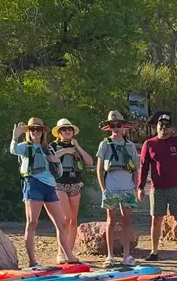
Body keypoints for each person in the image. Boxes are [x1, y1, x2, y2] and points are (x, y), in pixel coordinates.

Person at [10, 117, 78, 267]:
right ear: (29, 132)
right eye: (32, 129)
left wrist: (55, 160)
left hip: (49, 186)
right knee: (32, 222)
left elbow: (57, 169)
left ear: (43, 132)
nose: (35, 132)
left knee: (62, 223)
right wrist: (15, 136)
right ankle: (32, 261)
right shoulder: (24, 146)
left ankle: (69, 255)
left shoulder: (48, 148)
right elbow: (13, 150)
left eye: (38, 129)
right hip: (32, 184)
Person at [138, 107, 177, 261]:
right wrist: (140, 187)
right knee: (156, 219)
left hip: (175, 188)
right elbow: (144, 166)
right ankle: (154, 252)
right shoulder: (149, 144)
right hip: (157, 189)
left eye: (167, 126)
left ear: (171, 128)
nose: (164, 129)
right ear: (157, 127)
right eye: (161, 126)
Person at [95, 110, 140, 267]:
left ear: (123, 127)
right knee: (111, 220)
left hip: (127, 187)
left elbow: (136, 168)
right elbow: (99, 168)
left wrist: (135, 187)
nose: (116, 128)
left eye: (118, 125)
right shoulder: (104, 144)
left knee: (127, 220)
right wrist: (103, 188)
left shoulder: (130, 145)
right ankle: (110, 256)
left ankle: (127, 255)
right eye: (112, 125)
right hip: (111, 187)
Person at [49, 118, 92, 262]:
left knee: (73, 220)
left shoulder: (76, 147)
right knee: (65, 219)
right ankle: (61, 252)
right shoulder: (53, 146)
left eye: (70, 129)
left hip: (75, 184)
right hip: (59, 184)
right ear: (59, 132)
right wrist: (64, 151)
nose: (67, 131)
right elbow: (48, 158)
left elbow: (89, 162)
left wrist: (77, 147)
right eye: (64, 129)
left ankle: (70, 252)